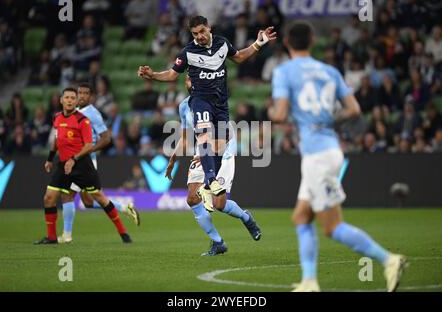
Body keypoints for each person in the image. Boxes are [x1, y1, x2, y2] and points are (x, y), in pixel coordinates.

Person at [268, 22, 407, 292]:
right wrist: (328, 120)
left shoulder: (284, 71)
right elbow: (354, 109)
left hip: (318, 157)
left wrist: (272, 112)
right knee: (300, 217)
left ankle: (390, 260)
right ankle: (309, 282)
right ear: (311, 42)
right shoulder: (329, 71)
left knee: (332, 227)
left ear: (287, 42)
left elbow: (281, 115)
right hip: (329, 149)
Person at [138, 15, 276, 210]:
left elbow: (239, 57)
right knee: (203, 136)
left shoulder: (222, 43)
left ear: (209, 28)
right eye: (195, 34)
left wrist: (258, 43)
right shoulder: (188, 52)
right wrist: (152, 75)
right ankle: (210, 182)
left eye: (202, 31)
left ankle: (209, 184)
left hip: (221, 103)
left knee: (219, 145)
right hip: (201, 100)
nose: (199, 36)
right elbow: (171, 74)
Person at [164, 77, 261, 256]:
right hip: (203, 151)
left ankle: (246, 218)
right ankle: (218, 242)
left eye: (192, 78)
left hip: (222, 151)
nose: (189, 81)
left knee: (219, 204)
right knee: (192, 199)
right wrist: (172, 160)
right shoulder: (184, 106)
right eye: (187, 78)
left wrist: (212, 155)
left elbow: (227, 133)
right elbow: (185, 138)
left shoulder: (215, 99)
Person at [34, 88, 132, 245]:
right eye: (67, 97)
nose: (70, 100)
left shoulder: (83, 120)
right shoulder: (57, 118)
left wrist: (74, 158)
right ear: (61, 100)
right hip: (64, 165)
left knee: (99, 198)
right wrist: (50, 159)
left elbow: (88, 145)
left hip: (82, 166)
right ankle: (52, 237)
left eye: (73, 97)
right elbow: (57, 140)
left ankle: (123, 232)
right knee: (49, 197)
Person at [57, 84, 140, 244]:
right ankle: (123, 207)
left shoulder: (93, 114)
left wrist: (88, 150)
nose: (81, 96)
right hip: (75, 159)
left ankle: (67, 235)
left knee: (68, 195)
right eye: (79, 93)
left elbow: (106, 138)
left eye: (85, 93)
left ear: (91, 96)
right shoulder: (74, 112)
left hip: (85, 161)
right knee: (88, 202)